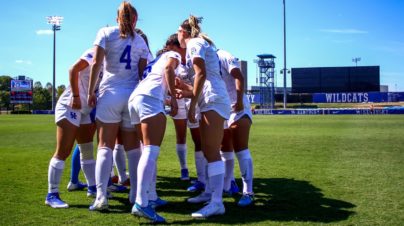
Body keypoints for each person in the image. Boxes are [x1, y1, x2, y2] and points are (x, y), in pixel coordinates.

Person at [87, 1, 148, 211]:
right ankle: (134, 195)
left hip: (110, 93)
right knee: (133, 148)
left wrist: (90, 92)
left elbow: (96, 63)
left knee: (105, 145)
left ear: (117, 17)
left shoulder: (106, 32)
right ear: (134, 19)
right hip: (131, 95)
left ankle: (101, 197)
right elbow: (143, 75)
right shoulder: (140, 40)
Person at [176, 15, 231, 218]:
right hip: (212, 98)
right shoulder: (199, 44)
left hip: (213, 100)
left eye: (178, 31)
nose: (176, 35)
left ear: (185, 32)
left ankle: (217, 202)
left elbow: (201, 75)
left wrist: (191, 109)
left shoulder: (194, 44)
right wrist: (187, 90)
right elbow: (203, 80)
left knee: (211, 150)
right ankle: (209, 193)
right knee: (209, 151)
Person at [128, 34, 181, 223]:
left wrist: (168, 96)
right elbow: (168, 70)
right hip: (149, 99)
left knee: (146, 150)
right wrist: (173, 98)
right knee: (151, 150)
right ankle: (141, 203)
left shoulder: (156, 59)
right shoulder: (174, 55)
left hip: (135, 99)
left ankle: (150, 196)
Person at [45, 48, 99, 208]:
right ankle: (52, 194)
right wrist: (76, 96)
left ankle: (93, 187)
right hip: (71, 104)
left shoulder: (112, 60)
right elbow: (73, 69)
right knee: (64, 150)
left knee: (87, 149)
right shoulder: (95, 52)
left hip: (85, 109)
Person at [217, 48, 254, 206]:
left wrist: (239, 101)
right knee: (224, 149)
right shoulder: (202, 61)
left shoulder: (223, 55)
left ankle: (248, 192)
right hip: (222, 108)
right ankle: (229, 185)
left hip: (237, 108)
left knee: (241, 150)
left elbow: (238, 75)